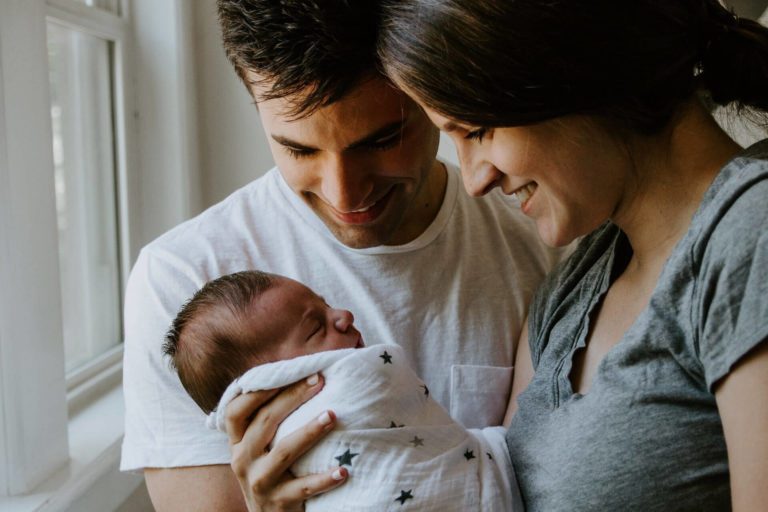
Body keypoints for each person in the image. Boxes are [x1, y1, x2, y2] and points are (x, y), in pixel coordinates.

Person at [119, 0, 560, 510]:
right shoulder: (183, 281)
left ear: (433, 96)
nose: (345, 196)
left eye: (382, 140)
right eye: (299, 150)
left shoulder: (540, 243)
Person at [374, 0, 768, 510]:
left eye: (477, 131)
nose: (474, 180)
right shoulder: (572, 288)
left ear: (572, 71)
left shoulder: (748, 232)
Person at [163, 270, 521, 511]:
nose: (344, 314)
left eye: (325, 303)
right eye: (315, 326)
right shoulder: (171, 269)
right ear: (273, 381)